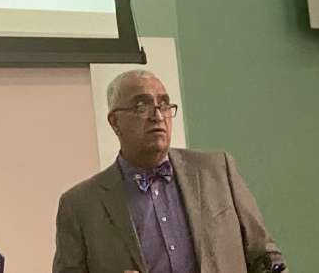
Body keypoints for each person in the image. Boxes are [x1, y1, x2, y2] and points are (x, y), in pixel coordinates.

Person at [52, 70, 287, 273]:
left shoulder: (217, 171)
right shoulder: (80, 205)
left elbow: (265, 257)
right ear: (115, 122)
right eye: (141, 106)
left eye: (164, 104)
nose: (157, 115)